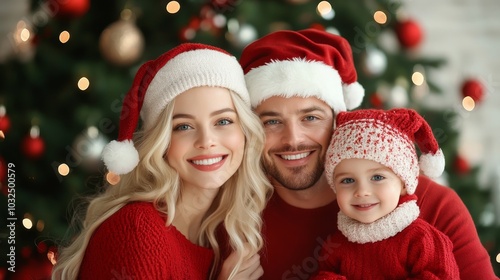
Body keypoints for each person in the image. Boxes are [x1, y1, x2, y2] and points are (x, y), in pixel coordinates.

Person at [239, 28, 497, 280]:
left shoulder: (434, 206)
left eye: (310, 117)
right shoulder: (233, 214)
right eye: (271, 122)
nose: (293, 139)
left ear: (339, 121)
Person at [51, 43, 272, 279]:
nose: (206, 141)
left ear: (245, 131)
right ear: (161, 143)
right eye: (183, 126)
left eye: (223, 121)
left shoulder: (220, 235)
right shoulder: (138, 231)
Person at [312, 108, 459, 279]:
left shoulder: (421, 239)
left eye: (377, 177)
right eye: (347, 181)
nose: (362, 191)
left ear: (404, 184)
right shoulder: (336, 245)